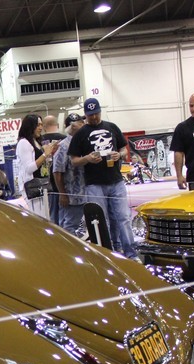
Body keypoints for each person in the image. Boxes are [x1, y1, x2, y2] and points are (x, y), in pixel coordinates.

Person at [68, 98, 138, 259]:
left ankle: (131, 253)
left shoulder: (111, 127)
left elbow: (124, 150)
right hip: (94, 183)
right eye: (90, 115)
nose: (94, 118)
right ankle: (107, 254)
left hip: (116, 180)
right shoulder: (80, 134)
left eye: (96, 114)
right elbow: (74, 160)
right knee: (101, 221)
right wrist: (87, 159)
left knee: (123, 217)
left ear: (100, 112)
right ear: (85, 115)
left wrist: (119, 154)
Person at [16, 114, 58, 215]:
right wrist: (45, 154)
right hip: (32, 187)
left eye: (41, 124)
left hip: (42, 185)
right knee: (39, 217)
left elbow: (44, 165)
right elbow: (29, 168)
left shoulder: (36, 142)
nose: (40, 128)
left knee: (46, 216)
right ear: (30, 126)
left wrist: (50, 153)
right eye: (38, 125)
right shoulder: (24, 143)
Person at [52, 113, 87, 235]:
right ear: (70, 127)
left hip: (88, 192)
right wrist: (62, 194)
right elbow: (57, 171)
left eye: (82, 123)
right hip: (72, 195)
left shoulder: (86, 142)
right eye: (78, 124)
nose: (82, 126)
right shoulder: (63, 146)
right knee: (69, 226)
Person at [42, 115, 67, 224]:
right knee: (65, 215)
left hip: (45, 182)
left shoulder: (39, 140)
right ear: (57, 125)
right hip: (63, 179)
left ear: (43, 127)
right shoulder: (65, 139)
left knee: (50, 215)